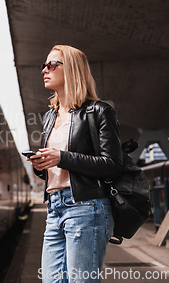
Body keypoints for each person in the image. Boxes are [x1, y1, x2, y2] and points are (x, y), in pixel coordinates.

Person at [27, 45, 123, 283]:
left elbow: (112, 165)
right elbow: (52, 171)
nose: (44, 70)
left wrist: (62, 157)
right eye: (44, 66)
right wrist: (40, 165)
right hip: (54, 208)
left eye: (51, 65)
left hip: (86, 206)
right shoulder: (49, 116)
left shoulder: (99, 112)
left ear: (72, 70)